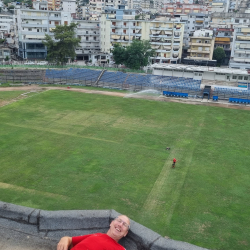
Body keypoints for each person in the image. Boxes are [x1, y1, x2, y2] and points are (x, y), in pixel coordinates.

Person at [57, 215, 130, 250]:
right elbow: (70, 240)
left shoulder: (121, 249)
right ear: (111, 223)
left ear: (125, 233)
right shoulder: (97, 235)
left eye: (124, 225)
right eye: (119, 221)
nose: (120, 225)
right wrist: (64, 239)